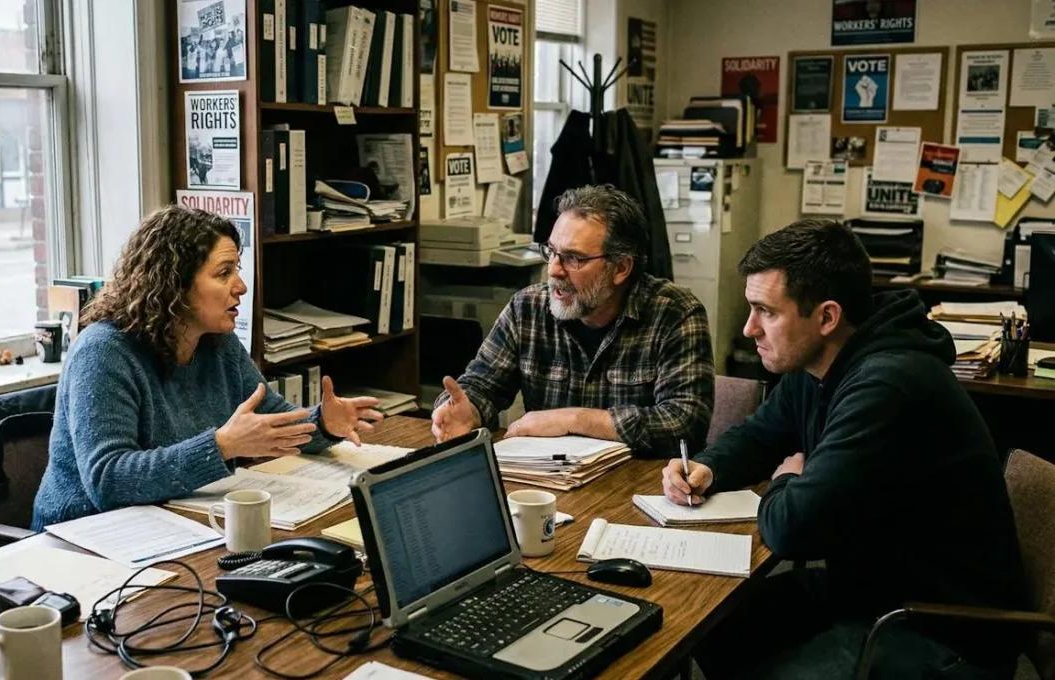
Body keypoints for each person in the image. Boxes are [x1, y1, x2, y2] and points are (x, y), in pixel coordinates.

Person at [662, 219, 1026, 679]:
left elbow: (793, 528)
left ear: (827, 317)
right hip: (871, 589)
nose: (749, 328)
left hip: (942, 628)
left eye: (765, 311)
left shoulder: (887, 384)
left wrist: (786, 481)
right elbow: (759, 435)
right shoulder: (818, 362)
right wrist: (706, 467)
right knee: (709, 625)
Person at [32, 206, 384, 529]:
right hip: (81, 535)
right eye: (224, 273)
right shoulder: (103, 352)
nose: (241, 287)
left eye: (237, 270)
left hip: (172, 521)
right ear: (174, 283)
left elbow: (271, 421)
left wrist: (322, 422)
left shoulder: (216, 342)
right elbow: (107, 480)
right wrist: (223, 446)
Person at [431, 185, 713, 457]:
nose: (554, 270)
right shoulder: (527, 308)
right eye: (552, 252)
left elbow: (685, 425)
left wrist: (574, 419)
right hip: (549, 484)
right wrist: (468, 410)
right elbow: (481, 386)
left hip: (638, 489)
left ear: (621, 268)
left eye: (573, 258)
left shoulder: (675, 314)